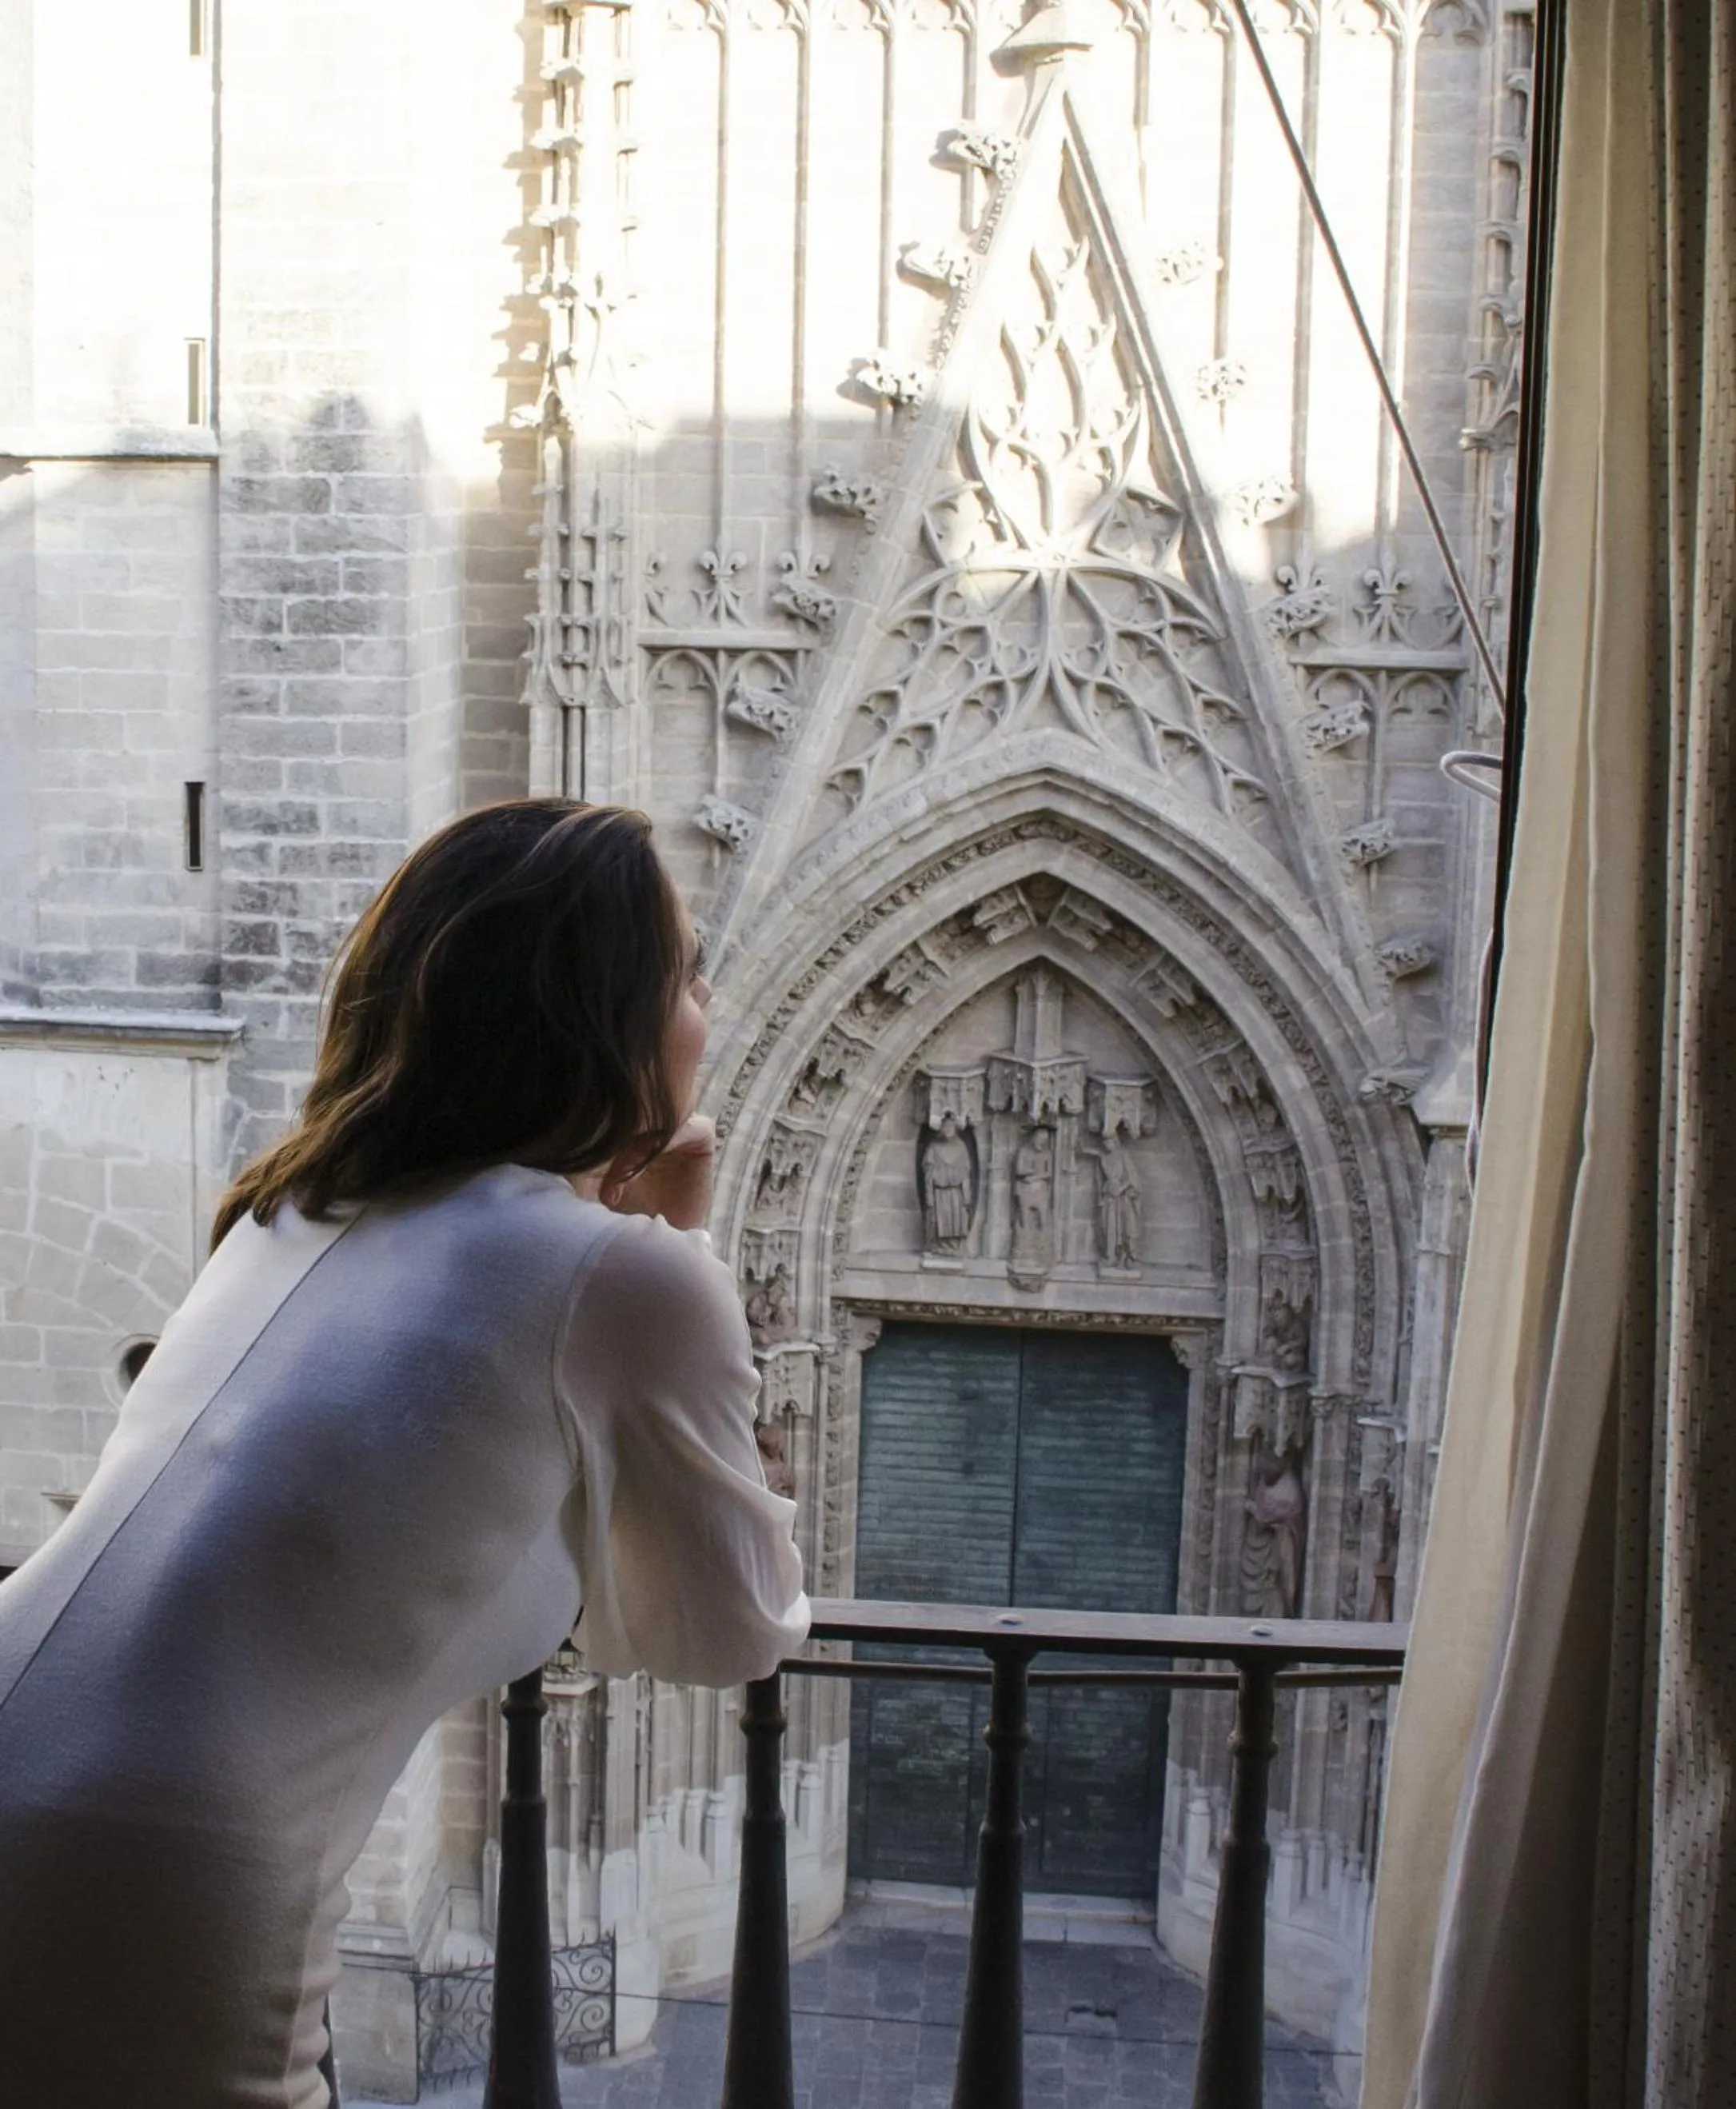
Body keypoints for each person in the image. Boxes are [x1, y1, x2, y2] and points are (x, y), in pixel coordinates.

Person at [0, 799, 809, 2109]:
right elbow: (725, 1631)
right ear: (611, 1016)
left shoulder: (293, 1207)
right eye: (687, 976)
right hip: (161, 1865)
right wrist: (674, 1249)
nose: (706, 1009)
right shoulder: (620, 1279)